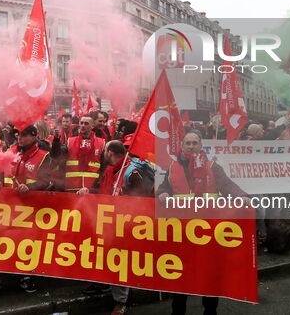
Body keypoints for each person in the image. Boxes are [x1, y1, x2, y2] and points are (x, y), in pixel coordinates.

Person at [156, 130, 250, 315]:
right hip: (182, 232)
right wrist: (162, 194)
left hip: (208, 231)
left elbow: (228, 186)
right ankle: (178, 311)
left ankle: (210, 311)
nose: (191, 146)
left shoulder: (213, 167)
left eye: (195, 143)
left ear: (201, 146)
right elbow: (163, 188)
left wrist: (242, 197)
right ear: (182, 146)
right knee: (180, 276)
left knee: (209, 275)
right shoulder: (173, 167)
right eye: (188, 143)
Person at [0, 125, 55, 300]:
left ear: (34, 136)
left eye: (24, 135)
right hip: (5, 205)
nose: (19, 138)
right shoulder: (10, 150)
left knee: (24, 242)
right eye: (18, 135)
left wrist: (29, 187)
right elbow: (0, 169)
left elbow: (46, 181)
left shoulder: (43, 156)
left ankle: (26, 276)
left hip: (27, 207)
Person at [86, 140, 154, 314]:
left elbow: (142, 202)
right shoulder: (110, 169)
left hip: (126, 226)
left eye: (104, 151)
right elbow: (104, 192)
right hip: (109, 223)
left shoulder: (131, 172)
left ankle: (121, 302)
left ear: (109, 152)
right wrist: (88, 192)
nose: (102, 154)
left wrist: (127, 201)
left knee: (120, 262)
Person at [61, 116, 105, 193]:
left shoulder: (101, 143)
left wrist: (97, 185)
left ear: (92, 126)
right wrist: (56, 142)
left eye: (86, 123)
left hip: (91, 189)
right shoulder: (70, 141)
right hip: (72, 187)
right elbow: (59, 159)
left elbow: (104, 168)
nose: (83, 126)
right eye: (81, 123)